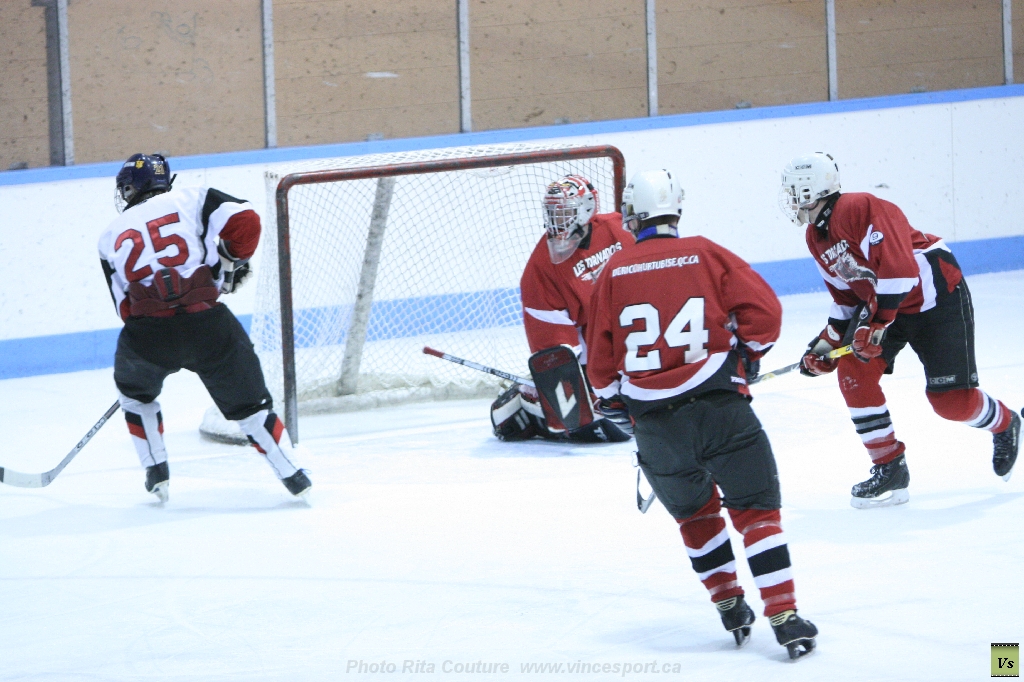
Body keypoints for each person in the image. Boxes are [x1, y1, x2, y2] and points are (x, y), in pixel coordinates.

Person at [585, 169, 818, 659]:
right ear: (675, 211)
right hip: (720, 409)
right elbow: (765, 315)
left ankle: (730, 606)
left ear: (632, 216)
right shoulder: (707, 253)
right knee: (756, 512)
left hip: (657, 426)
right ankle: (784, 616)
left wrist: (615, 402)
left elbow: (600, 367)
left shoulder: (613, 271)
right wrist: (746, 357)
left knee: (695, 515)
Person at [780, 152, 1021, 508]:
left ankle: (1005, 422)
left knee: (951, 403)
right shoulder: (815, 237)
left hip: (935, 296)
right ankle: (889, 466)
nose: (787, 198)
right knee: (852, 371)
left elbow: (901, 270)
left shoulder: (858, 208)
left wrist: (877, 325)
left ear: (808, 189)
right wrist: (825, 346)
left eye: (791, 190)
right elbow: (846, 296)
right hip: (887, 303)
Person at [97, 152, 311, 502]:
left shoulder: (108, 237)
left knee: (135, 397)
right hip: (209, 326)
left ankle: (156, 473)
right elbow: (247, 221)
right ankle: (294, 474)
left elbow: (125, 307)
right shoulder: (193, 196)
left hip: (149, 335)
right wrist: (229, 261)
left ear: (131, 188)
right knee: (252, 409)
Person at [490, 175, 631, 442]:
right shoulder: (540, 268)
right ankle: (528, 404)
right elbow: (555, 348)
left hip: (632, 339)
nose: (556, 220)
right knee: (603, 430)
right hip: (594, 352)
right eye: (552, 212)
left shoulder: (619, 227)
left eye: (564, 212)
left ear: (587, 207)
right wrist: (575, 393)